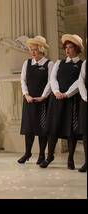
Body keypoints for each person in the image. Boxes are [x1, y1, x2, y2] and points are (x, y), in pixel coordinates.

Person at [40, 34, 84, 170]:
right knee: (53, 128)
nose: (67, 50)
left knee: (71, 130)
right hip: (57, 99)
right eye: (66, 47)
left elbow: (79, 82)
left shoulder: (82, 64)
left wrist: (67, 93)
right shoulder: (59, 63)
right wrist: (57, 91)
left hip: (72, 100)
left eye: (70, 47)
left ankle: (70, 159)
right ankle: (49, 156)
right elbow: (52, 79)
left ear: (76, 49)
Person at [18, 36, 54, 165]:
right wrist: (26, 94)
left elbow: (51, 82)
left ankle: (41, 155)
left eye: (35, 50)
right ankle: (27, 153)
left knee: (42, 129)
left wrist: (43, 96)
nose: (33, 52)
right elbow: (23, 80)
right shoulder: (27, 63)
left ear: (42, 50)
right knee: (29, 128)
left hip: (43, 101)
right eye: (31, 50)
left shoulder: (49, 64)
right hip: (29, 100)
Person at [78, 59, 87, 172]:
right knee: (86, 132)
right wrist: (85, 97)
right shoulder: (85, 63)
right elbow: (81, 81)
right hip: (86, 101)